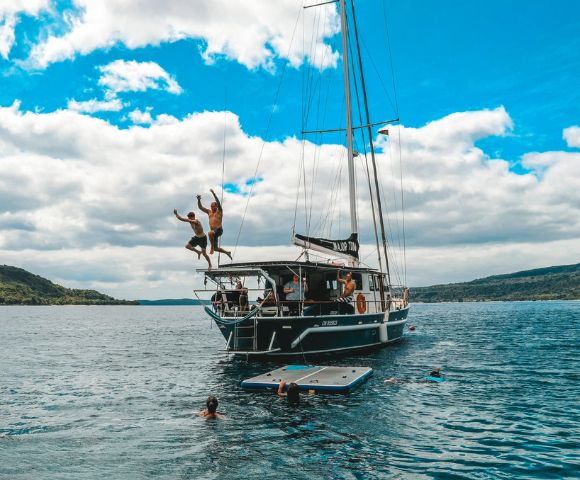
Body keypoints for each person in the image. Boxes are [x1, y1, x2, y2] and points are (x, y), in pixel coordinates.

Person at [197, 189, 232, 259]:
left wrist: (214, 194)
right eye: (211, 206)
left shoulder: (219, 211)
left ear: (216, 206)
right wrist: (199, 200)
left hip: (219, 230)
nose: (211, 207)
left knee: (210, 233)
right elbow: (200, 207)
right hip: (213, 234)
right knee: (216, 249)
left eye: (213, 206)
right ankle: (227, 252)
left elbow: (218, 203)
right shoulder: (209, 212)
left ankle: (212, 246)